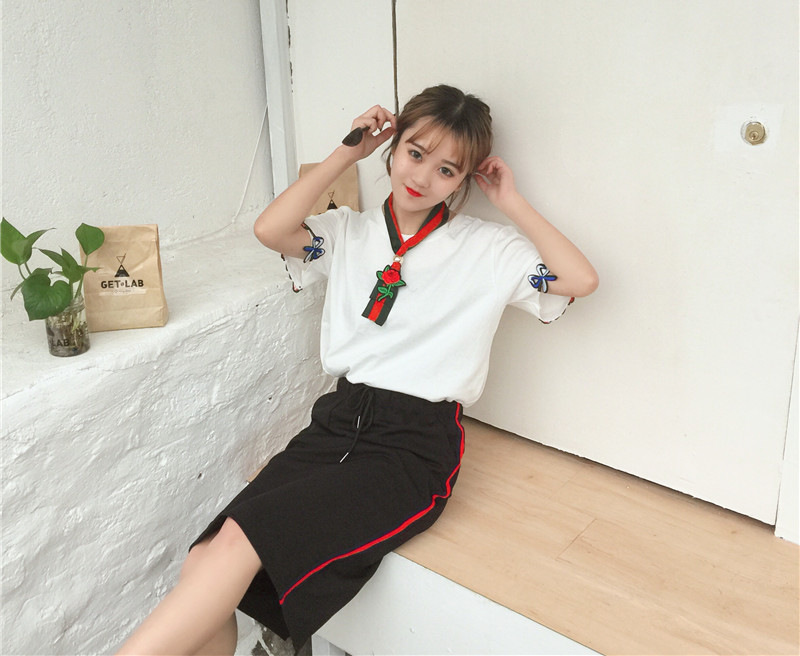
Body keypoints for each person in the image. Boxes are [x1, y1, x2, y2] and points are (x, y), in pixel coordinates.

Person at [116, 85, 598, 656]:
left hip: (412, 447)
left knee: (230, 551)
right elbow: (271, 230)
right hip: (336, 424)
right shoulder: (346, 232)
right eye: (415, 153)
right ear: (393, 147)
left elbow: (580, 279)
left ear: (463, 181)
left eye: (446, 170)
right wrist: (348, 152)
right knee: (204, 560)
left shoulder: (488, 250)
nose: (423, 177)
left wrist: (511, 201)